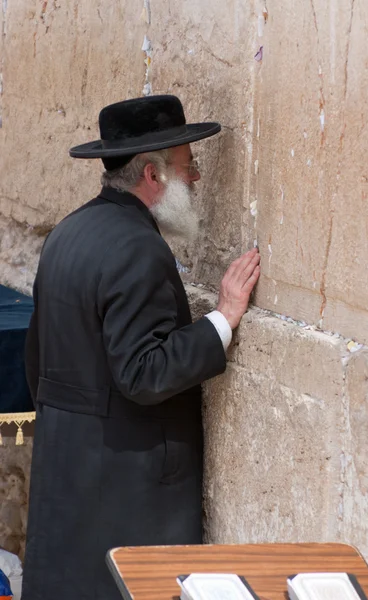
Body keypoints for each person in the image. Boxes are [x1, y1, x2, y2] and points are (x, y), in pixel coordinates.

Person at [22, 95, 260, 600]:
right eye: (187, 166)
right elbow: (144, 373)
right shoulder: (137, 246)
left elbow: (37, 361)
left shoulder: (68, 232)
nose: (194, 179)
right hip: (124, 490)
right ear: (152, 175)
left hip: (68, 472)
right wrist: (224, 316)